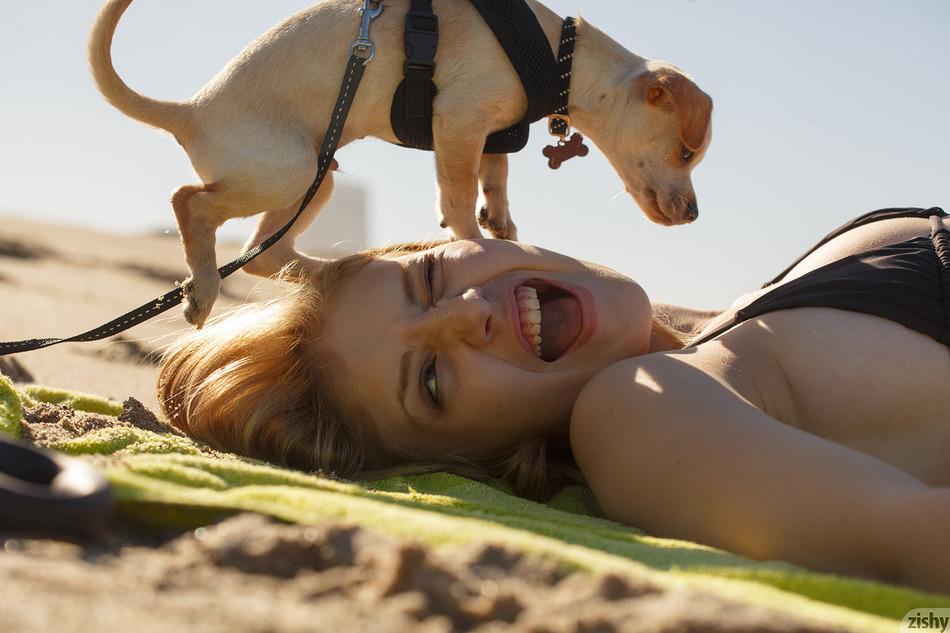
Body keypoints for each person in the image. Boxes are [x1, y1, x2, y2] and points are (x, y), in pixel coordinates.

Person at [158, 206, 950, 594]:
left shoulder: (715, 334)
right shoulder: (638, 413)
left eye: (428, 277)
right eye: (431, 380)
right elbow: (917, 543)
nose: (467, 314)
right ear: (478, 456)